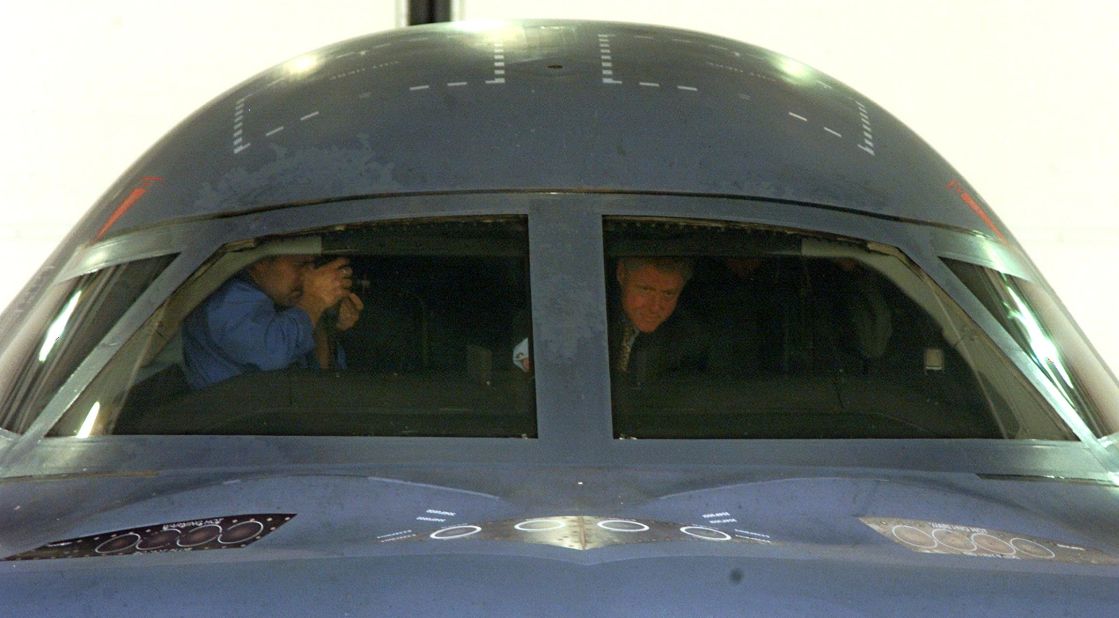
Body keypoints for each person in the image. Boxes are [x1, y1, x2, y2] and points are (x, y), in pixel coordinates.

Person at [182, 255, 364, 389]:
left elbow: (321, 380)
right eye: (300, 264)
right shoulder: (226, 301)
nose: (309, 277)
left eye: (312, 266)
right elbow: (273, 353)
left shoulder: (282, 303)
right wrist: (315, 301)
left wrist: (323, 317)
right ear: (259, 263)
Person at [513, 256, 703, 381]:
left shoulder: (688, 338)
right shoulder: (577, 312)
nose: (655, 306)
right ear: (621, 275)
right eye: (645, 290)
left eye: (668, 294)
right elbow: (524, 349)